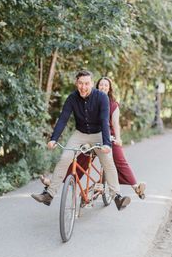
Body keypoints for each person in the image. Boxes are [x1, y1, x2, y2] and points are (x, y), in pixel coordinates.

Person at [31, 70, 131, 211]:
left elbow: (104, 121)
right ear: (76, 83)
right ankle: (49, 194)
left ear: (91, 83)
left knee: (108, 161)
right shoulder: (72, 98)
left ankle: (117, 197)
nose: (83, 87)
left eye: (86, 83)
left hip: (98, 133)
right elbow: (63, 119)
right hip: (80, 134)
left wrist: (107, 143)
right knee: (65, 158)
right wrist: (53, 139)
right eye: (80, 83)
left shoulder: (102, 97)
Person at [96, 77, 146, 198]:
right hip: (94, 135)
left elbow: (115, 123)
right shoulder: (92, 101)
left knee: (120, 160)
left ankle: (136, 187)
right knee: (81, 157)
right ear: (97, 86)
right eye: (101, 85)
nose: (103, 87)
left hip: (110, 137)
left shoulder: (113, 104)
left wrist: (118, 138)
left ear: (109, 89)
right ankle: (60, 181)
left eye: (106, 85)